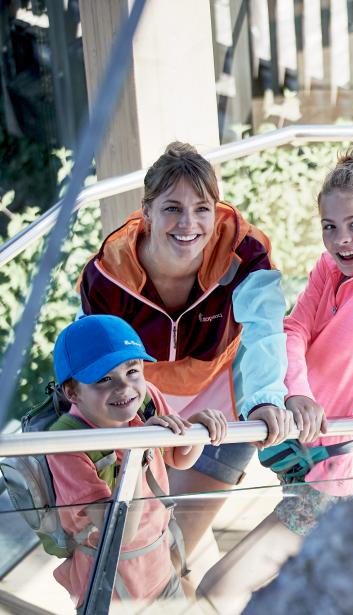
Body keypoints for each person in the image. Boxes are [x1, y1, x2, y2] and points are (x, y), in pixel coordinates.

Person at [198, 147, 353, 613]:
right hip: (302, 461)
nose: (341, 240)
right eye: (330, 226)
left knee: (218, 590)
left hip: (334, 480)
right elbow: (294, 329)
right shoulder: (328, 269)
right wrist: (297, 393)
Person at [77, 142, 293, 556]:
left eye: (202, 208)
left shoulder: (244, 253)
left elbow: (265, 329)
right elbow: (97, 364)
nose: (188, 223)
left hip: (224, 395)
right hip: (146, 401)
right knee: (142, 553)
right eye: (172, 208)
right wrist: (143, 420)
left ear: (216, 210)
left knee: (175, 551)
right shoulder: (108, 274)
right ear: (147, 211)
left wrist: (265, 399)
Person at [46, 315, 228, 608]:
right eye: (104, 378)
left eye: (132, 371)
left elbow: (180, 459)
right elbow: (120, 533)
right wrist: (140, 447)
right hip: (112, 590)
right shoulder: (66, 444)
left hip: (159, 566)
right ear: (72, 393)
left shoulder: (145, 400)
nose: (124, 388)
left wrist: (194, 428)